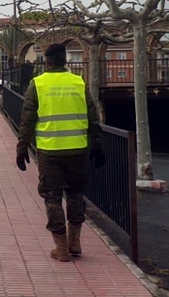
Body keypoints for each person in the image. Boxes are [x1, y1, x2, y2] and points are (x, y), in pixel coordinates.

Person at [15, 43, 104, 262]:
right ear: (65, 60)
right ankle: (75, 242)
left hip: (50, 149)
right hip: (77, 148)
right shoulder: (78, 83)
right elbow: (93, 117)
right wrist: (98, 145)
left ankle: (61, 248)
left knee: (52, 197)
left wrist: (22, 148)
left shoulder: (37, 84)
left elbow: (27, 120)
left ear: (46, 61)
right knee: (75, 193)